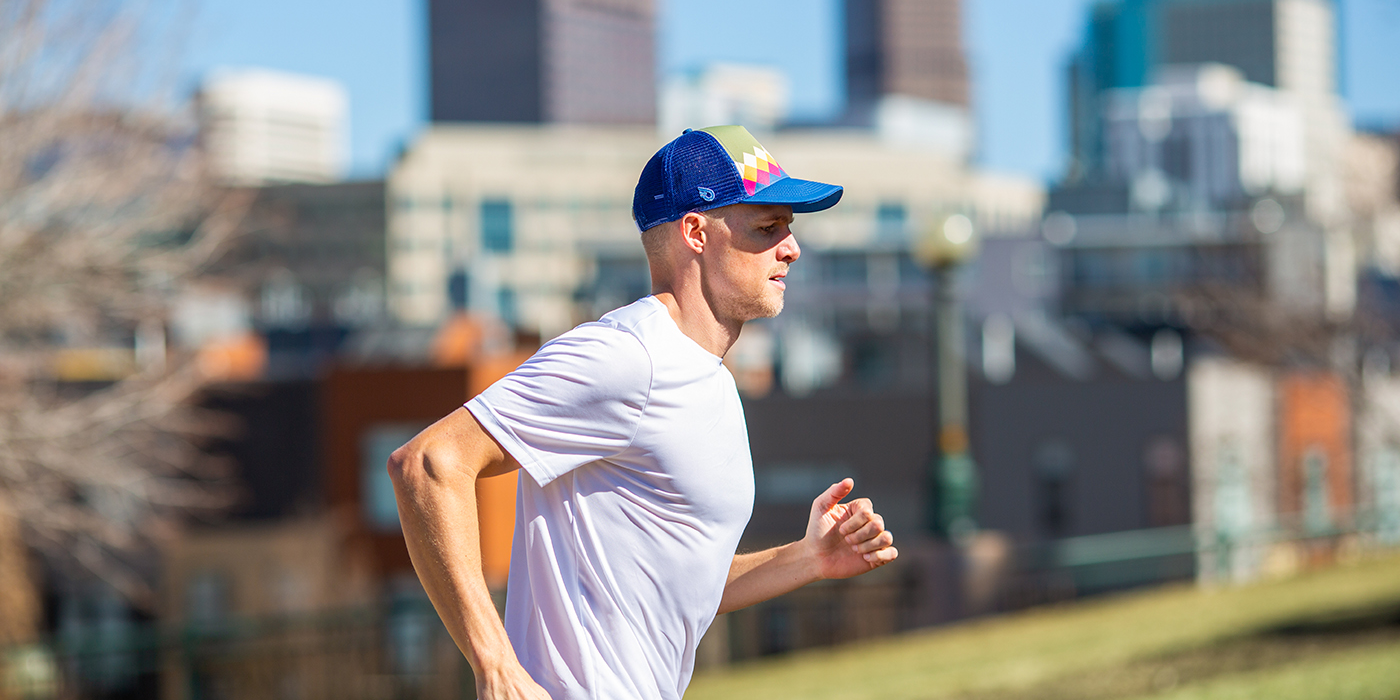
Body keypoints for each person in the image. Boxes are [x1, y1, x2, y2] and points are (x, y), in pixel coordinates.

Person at [388, 125, 898, 700]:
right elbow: (429, 464)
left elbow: (676, 584)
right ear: (696, 233)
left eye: (789, 228)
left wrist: (807, 559)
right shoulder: (625, 356)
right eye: (767, 227)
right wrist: (495, 667)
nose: (791, 247)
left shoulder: (713, 382)